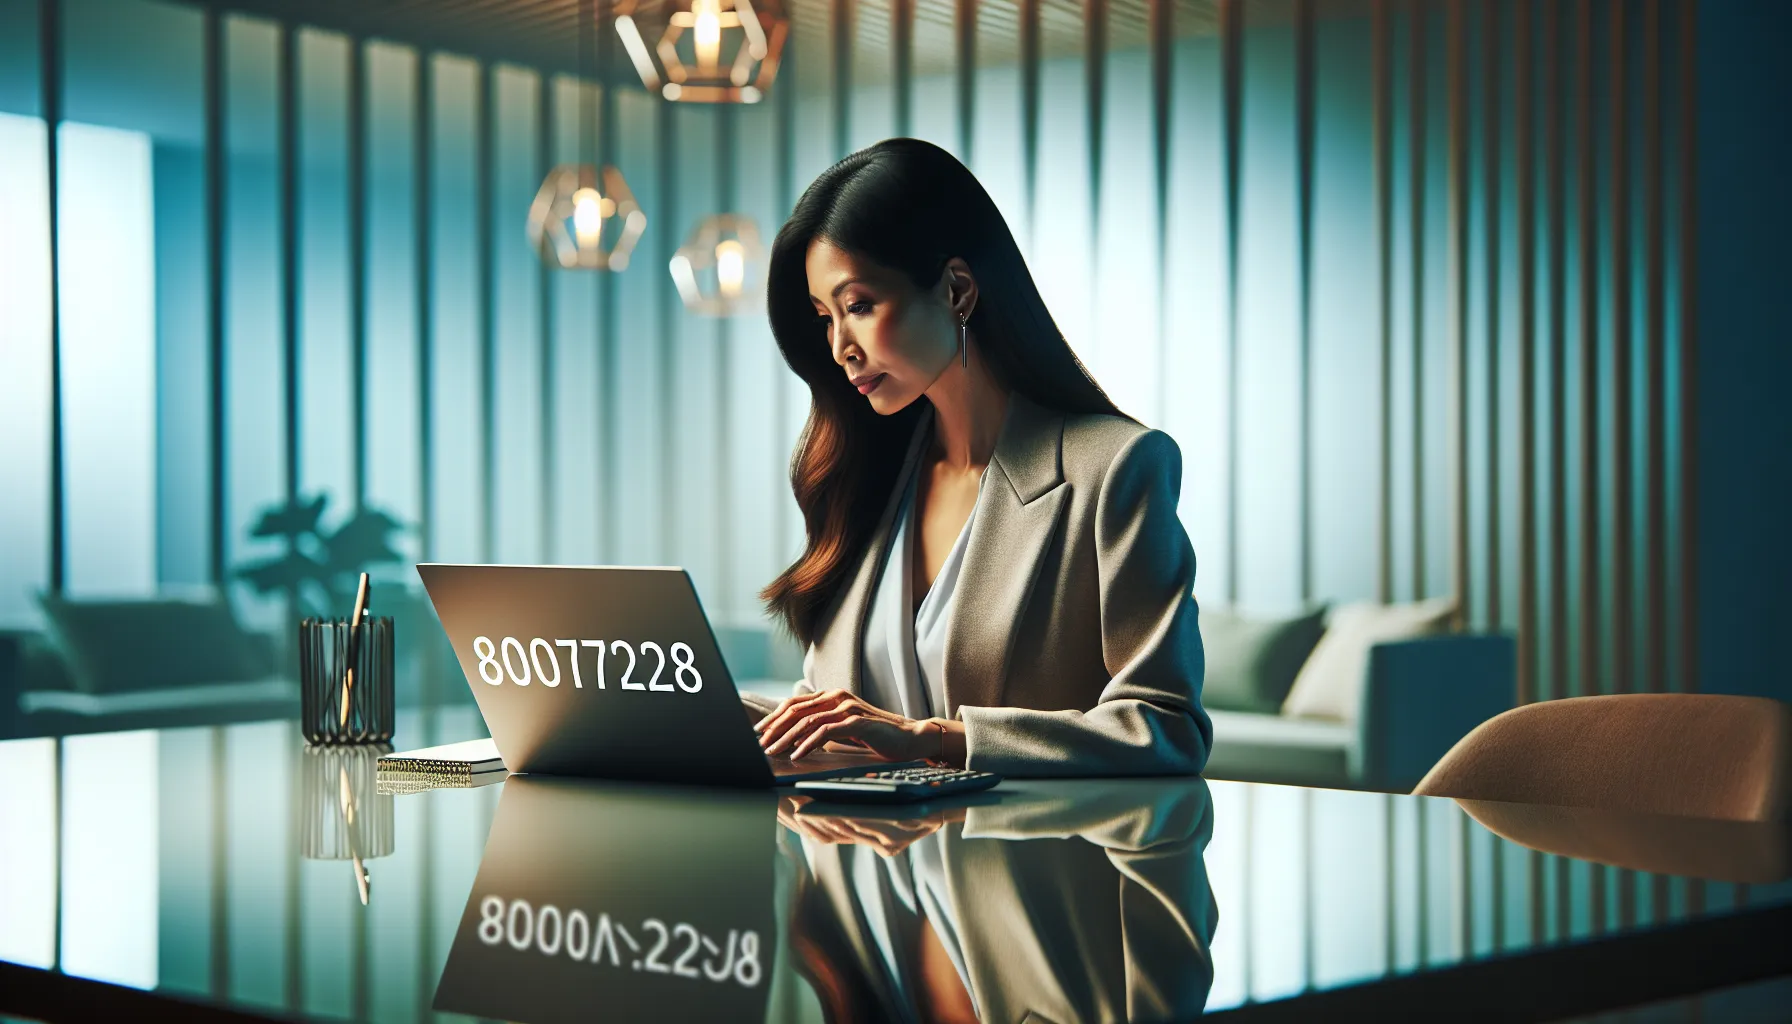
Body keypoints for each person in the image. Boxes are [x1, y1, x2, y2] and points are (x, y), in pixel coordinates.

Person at [751, 138, 1210, 777]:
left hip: (1026, 866)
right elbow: (847, 715)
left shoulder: (1116, 470)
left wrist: (940, 739)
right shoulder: (869, 479)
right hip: (861, 866)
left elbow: (1167, 727)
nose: (839, 348)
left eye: (858, 306)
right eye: (825, 317)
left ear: (957, 289)